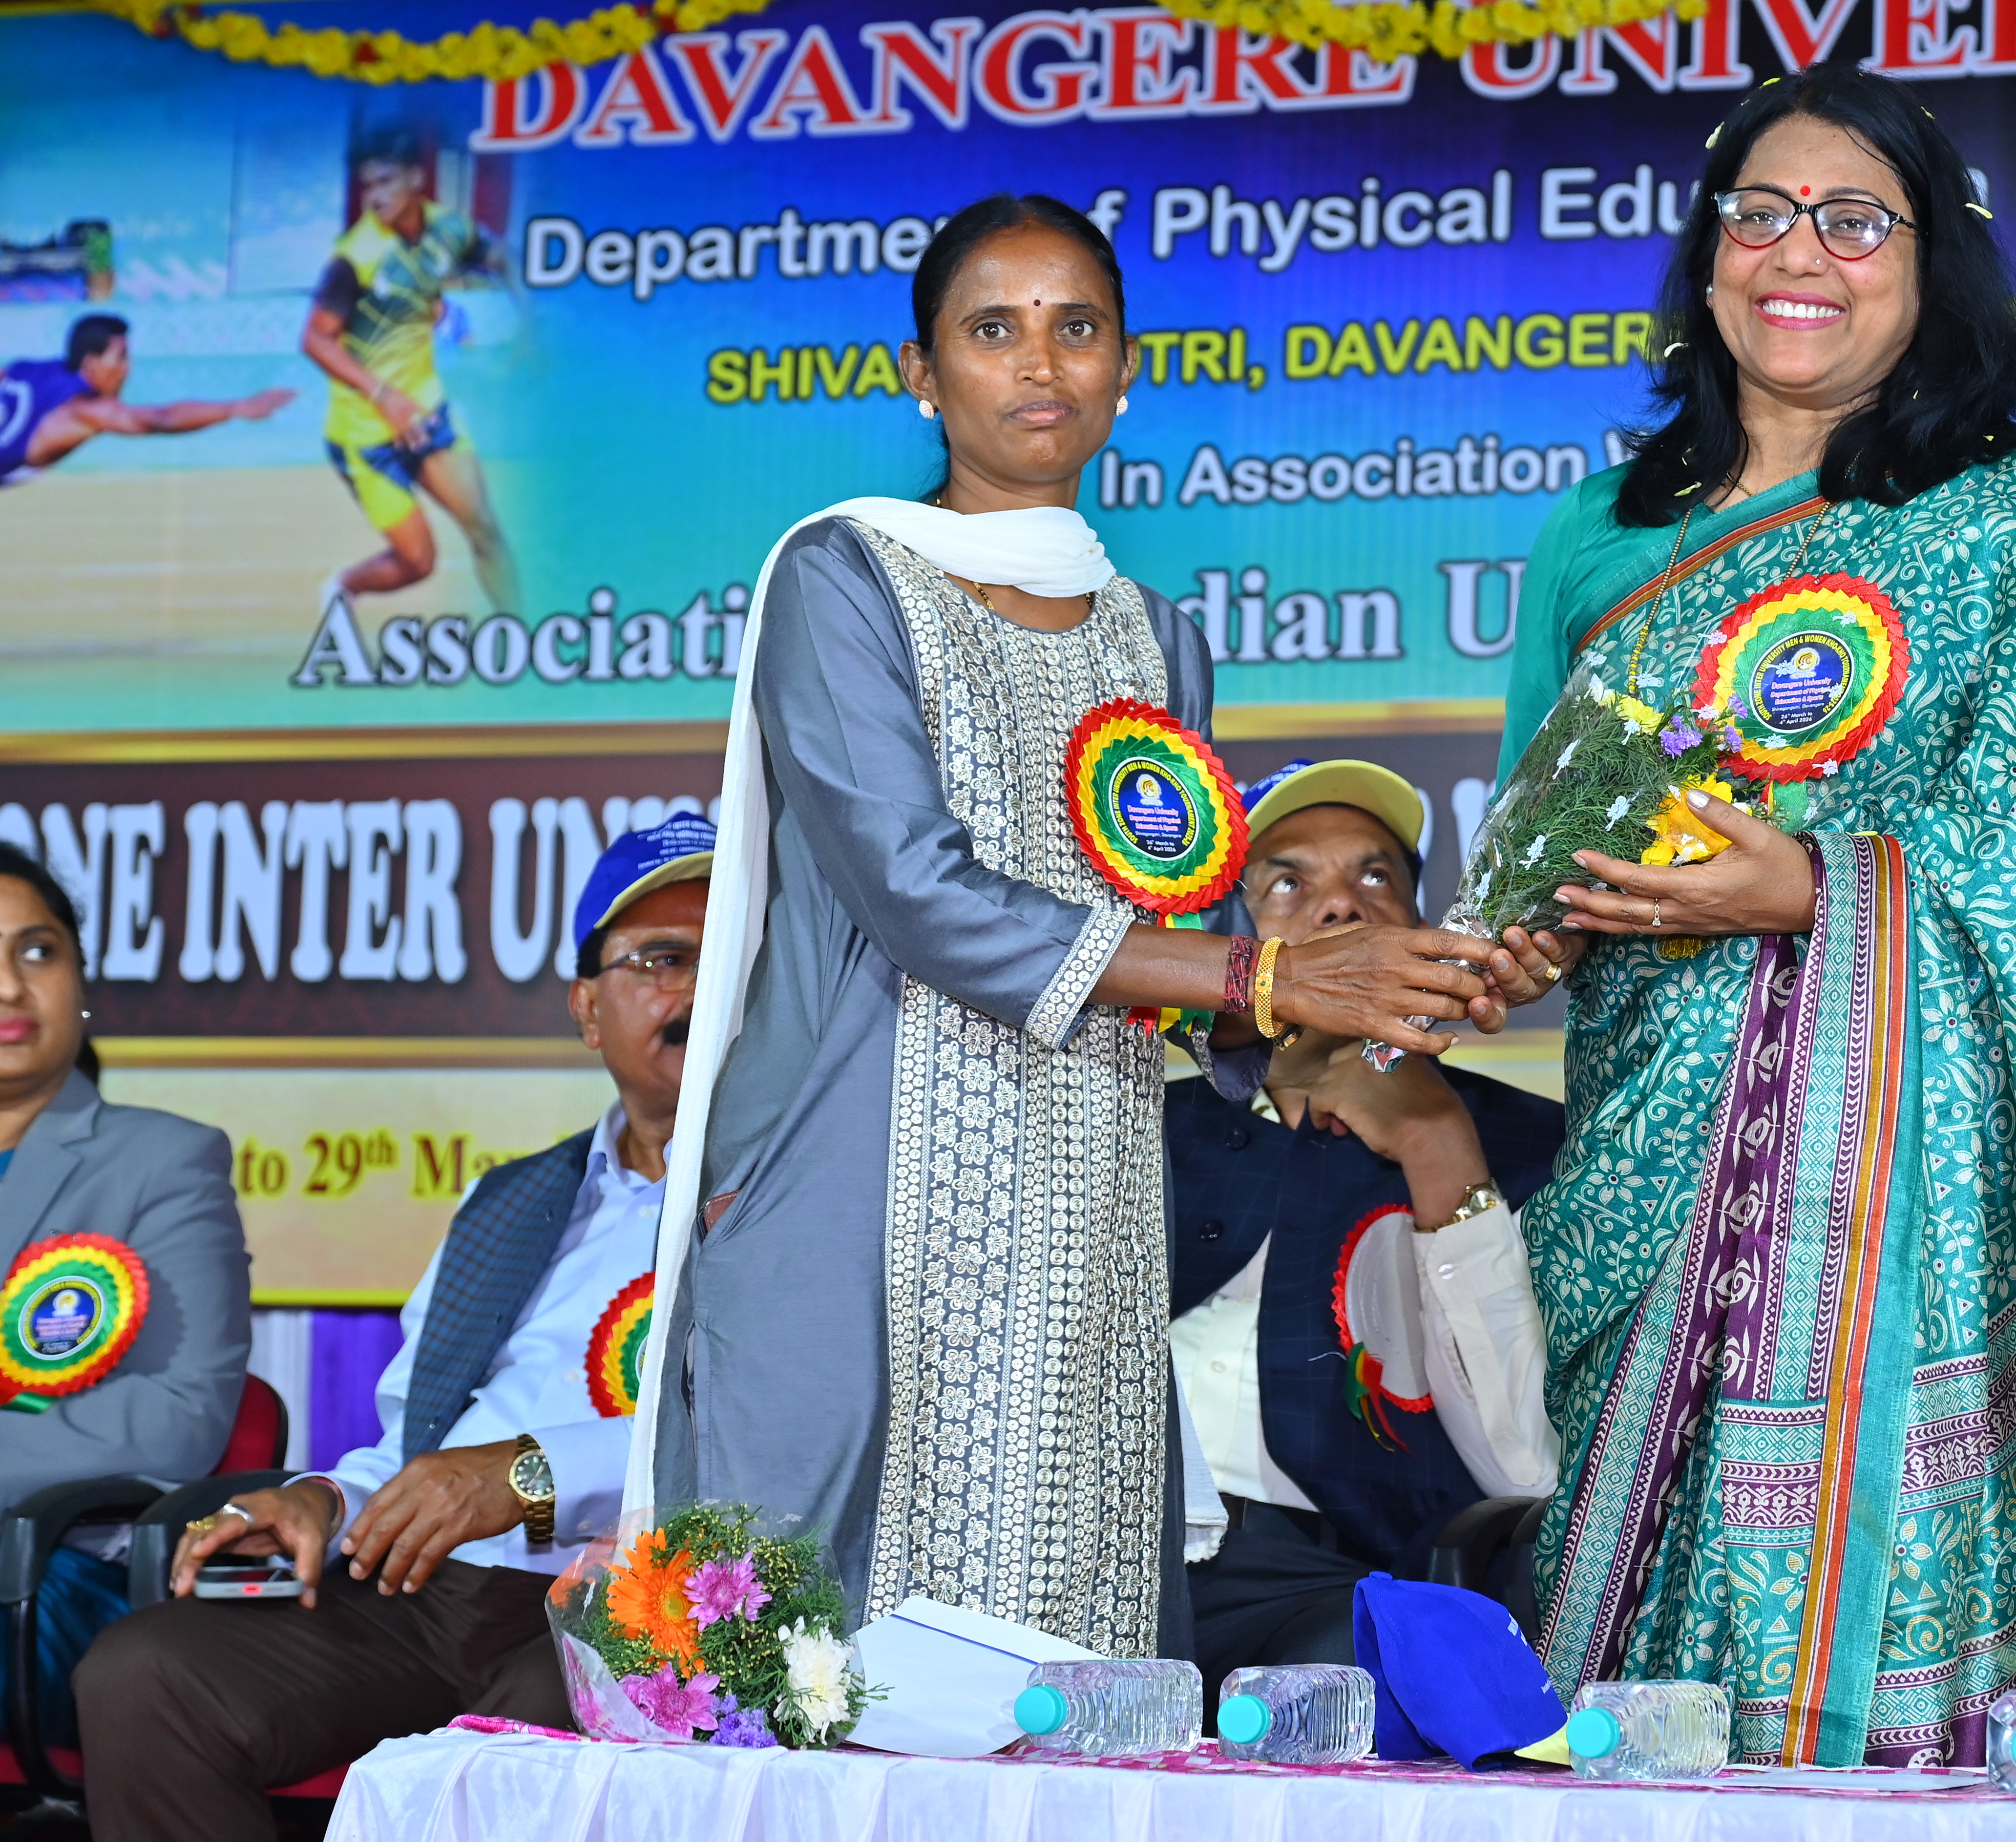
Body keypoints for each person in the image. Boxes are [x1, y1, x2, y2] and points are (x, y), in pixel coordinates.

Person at [1480, 60, 2016, 1772]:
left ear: (1927, 271)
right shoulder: (1595, 536)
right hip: (1647, 1162)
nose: (1797, 253)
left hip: (1933, 1219)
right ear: (1703, 257)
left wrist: (1821, 883)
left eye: (1853, 220)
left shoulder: (2015, 520)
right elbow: (1536, 855)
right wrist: (1516, 934)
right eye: (1757, 212)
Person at [635, 194, 1509, 1660]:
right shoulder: (844, 575)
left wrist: (1382, 988)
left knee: (1059, 1644)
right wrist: (1269, 969)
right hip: (861, 1183)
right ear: (925, 373)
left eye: (1077, 328)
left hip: (1083, 1194)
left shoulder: (1153, 635)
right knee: (809, 1670)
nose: (1040, 363)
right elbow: (915, 891)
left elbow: (1182, 942)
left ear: (1121, 369)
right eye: (995, 328)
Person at [74, 818, 713, 1842]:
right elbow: (415, 1443)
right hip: (431, 1585)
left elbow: (777, 1431)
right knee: (147, 1672)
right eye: (661, 958)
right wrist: (326, 1497)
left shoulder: (794, 1200)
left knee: (531, 1759)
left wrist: (530, 1472)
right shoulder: (512, 1199)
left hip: (641, 1605)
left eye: (728, 952)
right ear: (589, 1008)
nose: (696, 986)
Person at [1169, 758, 1569, 1699]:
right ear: (1236, 939)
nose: (1340, 906)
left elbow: (1524, 1467)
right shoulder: (1136, 1122)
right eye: (1285, 882)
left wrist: (1437, 1146)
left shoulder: (1524, 1140)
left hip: (1331, 1581)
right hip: (1103, 1560)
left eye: (1375, 877)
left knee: (1376, 1681)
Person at [0, 842, 247, 1752]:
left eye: (37, 950)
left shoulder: (163, 1160)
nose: (10, 987)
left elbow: (178, 1420)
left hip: (53, 1574)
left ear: (81, 977)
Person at [306, 129, 516, 612]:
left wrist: (530, 326)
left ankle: (523, 645)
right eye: (368, 186)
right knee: (419, 562)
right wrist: (386, 397)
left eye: (386, 182)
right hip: (366, 437)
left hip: (428, 417)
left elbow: (506, 257)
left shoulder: (448, 229)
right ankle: (344, 587)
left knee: (485, 529)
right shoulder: (355, 258)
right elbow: (315, 339)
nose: (375, 196)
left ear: (418, 179)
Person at [0, 314, 290, 483]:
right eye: (121, 359)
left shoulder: (25, 369)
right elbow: (160, 420)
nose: (128, 369)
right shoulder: (85, 411)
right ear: (91, 363)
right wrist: (236, 408)